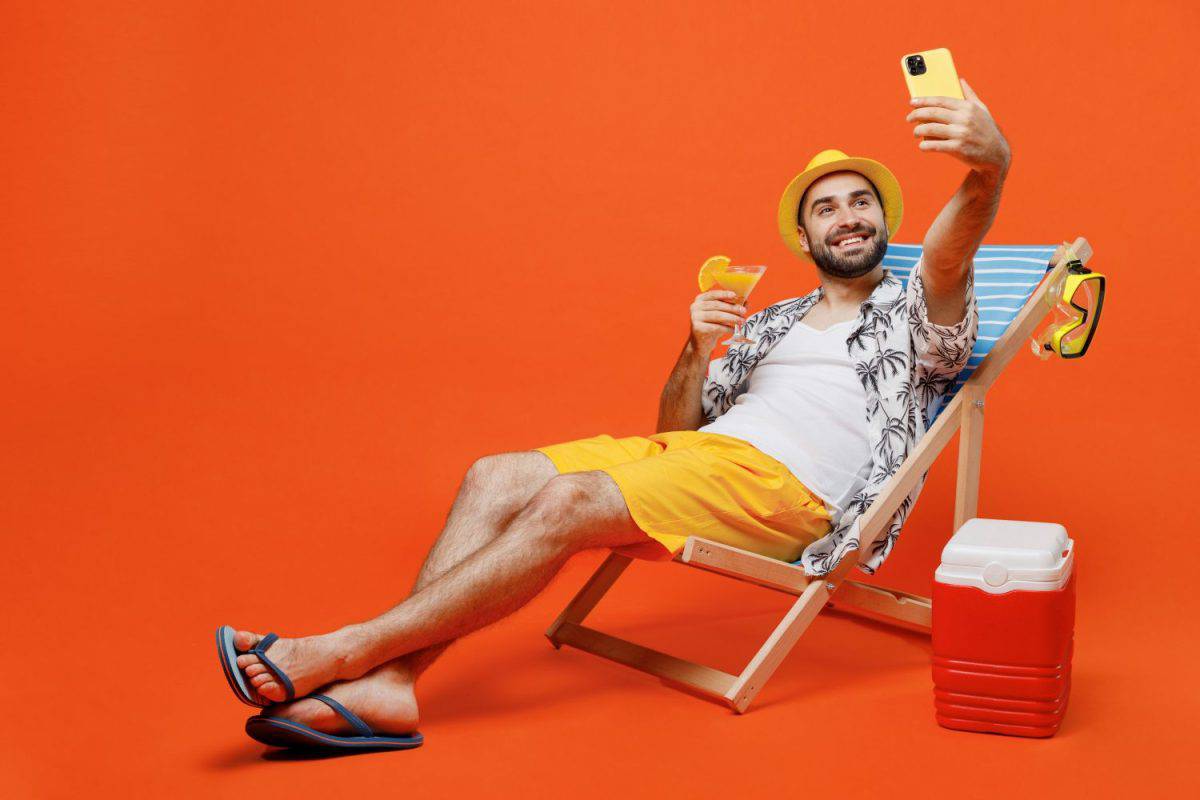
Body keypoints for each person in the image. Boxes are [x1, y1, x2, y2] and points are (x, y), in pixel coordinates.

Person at [218, 77, 1011, 747]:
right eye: (827, 208)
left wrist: (987, 168)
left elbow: (952, 250)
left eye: (861, 203)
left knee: (568, 502)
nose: (847, 217)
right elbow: (676, 434)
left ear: (887, 221)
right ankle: (393, 686)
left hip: (791, 495)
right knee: (494, 475)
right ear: (804, 235)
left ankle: (349, 649)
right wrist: (696, 350)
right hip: (704, 463)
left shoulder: (919, 311)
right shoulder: (768, 321)